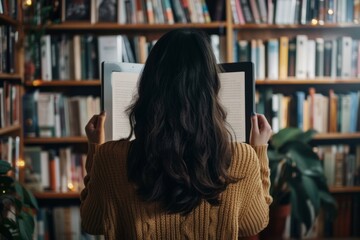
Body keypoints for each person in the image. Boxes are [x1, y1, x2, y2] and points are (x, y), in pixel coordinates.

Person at [80, 29, 272, 239]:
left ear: (147, 86)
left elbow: (93, 221)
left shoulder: (110, 157)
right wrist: (259, 151)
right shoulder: (242, 157)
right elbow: (254, 223)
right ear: (212, 90)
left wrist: (95, 150)